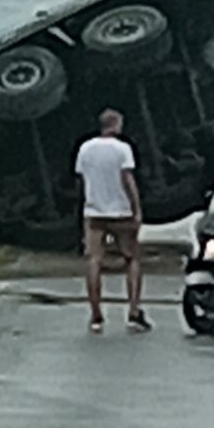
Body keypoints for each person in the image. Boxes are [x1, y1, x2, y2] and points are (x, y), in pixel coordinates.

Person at [74, 108, 151, 334]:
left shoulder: (85, 148)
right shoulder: (122, 149)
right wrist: (137, 209)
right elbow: (127, 179)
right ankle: (134, 313)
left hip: (94, 212)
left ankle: (96, 315)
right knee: (132, 259)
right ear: (116, 124)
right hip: (121, 212)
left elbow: (81, 178)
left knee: (94, 261)